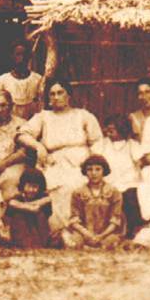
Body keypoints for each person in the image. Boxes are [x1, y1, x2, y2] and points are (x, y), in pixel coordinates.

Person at [15, 78, 103, 227]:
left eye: (60, 93)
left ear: (68, 96)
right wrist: (38, 146)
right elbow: (20, 135)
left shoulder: (83, 116)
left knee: (77, 184)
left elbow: (97, 143)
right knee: (55, 186)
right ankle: (58, 229)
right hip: (53, 163)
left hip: (81, 164)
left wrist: (91, 164)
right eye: (52, 94)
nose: (56, 97)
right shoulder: (44, 117)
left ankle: (80, 228)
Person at [62, 155, 123, 249]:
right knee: (74, 243)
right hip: (84, 234)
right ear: (85, 172)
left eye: (98, 169)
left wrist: (101, 236)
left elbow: (115, 220)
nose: (94, 173)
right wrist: (88, 235)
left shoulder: (114, 192)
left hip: (106, 234)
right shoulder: (78, 193)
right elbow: (74, 220)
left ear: (104, 171)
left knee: (110, 244)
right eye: (89, 169)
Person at [4, 168, 55, 249]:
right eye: (29, 186)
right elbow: (11, 204)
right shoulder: (18, 198)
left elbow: (46, 202)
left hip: (39, 234)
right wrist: (30, 208)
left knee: (40, 215)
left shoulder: (43, 197)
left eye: (35, 187)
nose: (31, 190)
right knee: (19, 216)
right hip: (21, 235)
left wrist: (23, 205)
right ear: (23, 185)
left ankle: (39, 245)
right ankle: (25, 245)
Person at [91, 114, 143, 192]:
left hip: (129, 185)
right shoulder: (102, 144)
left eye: (111, 131)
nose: (108, 133)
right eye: (107, 130)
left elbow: (139, 164)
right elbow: (93, 161)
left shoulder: (132, 145)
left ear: (122, 130)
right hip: (106, 185)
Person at [0, 40, 43, 120]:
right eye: (18, 54)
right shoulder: (3, 80)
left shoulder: (37, 79)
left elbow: (41, 106)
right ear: (12, 56)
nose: (22, 58)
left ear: (29, 57)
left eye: (25, 55)